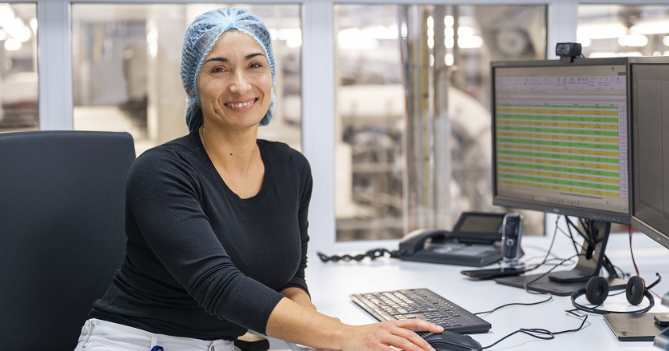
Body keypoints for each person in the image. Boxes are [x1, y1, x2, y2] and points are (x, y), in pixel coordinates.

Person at [74, 8, 442, 351]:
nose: (240, 85)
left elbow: (289, 280)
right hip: (138, 340)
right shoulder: (160, 172)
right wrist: (343, 335)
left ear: (271, 76)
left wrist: (316, 332)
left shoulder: (291, 167)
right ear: (192, 85)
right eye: (218, 70)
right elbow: (218, 286)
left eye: (254, 65)